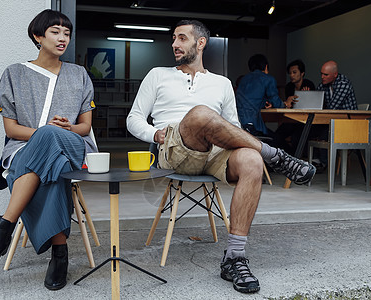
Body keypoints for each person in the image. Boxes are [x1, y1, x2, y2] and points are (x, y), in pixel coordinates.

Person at [126, 20, 316, 294]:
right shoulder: (158, 75)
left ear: (200, 43)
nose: (175, 44)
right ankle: (278, 157)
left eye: (182, 38)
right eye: (174, 39)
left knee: (251, 159)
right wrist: (157, 135)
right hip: (175, 148)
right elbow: (133, 119)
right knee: (201, 114)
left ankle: (234, 258)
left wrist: (237, 142)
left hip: (215, 154)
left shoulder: (222, 83)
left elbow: (234, 128)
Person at [0, 9, 97, 291]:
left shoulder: (79, 75)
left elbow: (85, 127)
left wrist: (66, 128)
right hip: (27, 148)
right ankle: (59, 255)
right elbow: (12, 130)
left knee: (51, 138)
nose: (63, 38)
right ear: (37, 36)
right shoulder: (13, 74)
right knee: (52, 168)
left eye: (67, 33)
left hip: (74, 146)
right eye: (55, 31)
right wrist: (46, 133)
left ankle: (3, 228)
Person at [312, 60, 358, 169]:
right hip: (332, 122)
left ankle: (321, 163)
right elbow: (316, 101)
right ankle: (315, 161)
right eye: (321, 74)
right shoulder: (324, 84)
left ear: (335, 74)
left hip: (348, 124)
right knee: (310, 128)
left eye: (325, 74)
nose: (322, 77)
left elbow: (332, 107)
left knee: (323, 130)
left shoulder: (343, 84)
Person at [235, 54, 284, 139]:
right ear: (266, 67)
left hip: (238, 123)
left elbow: (249, 99)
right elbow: (277, 102)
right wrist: (285, 104)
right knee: (278, 141)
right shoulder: (268, 79)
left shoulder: (243, 79)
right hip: (252, 126)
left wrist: (266, 103)